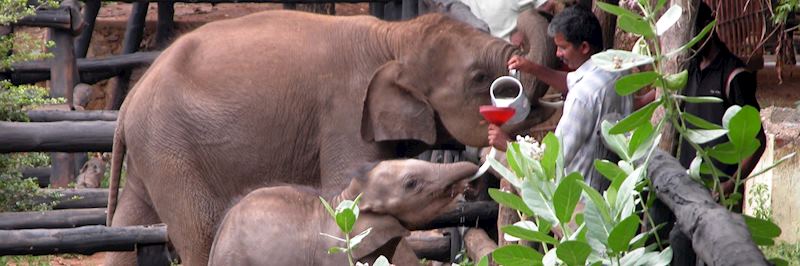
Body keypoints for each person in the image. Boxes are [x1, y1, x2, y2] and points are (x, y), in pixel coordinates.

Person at [644, 3, 767, 264]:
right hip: (688, 186)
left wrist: (730, 184)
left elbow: (758, 141)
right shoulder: (684, 70)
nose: (688, 45)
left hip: (719, 192)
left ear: (707, 29)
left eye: (693, 37)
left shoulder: (734, 75)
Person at [491, 6, 633, 191]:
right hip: (617, 187)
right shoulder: (617, 67)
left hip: (581, 203)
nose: (557, 54)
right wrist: (531, 67)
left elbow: (552, 161)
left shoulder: (581, 97)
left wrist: (508, 146)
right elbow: (570, 81)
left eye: (562, 47)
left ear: (583, 47)